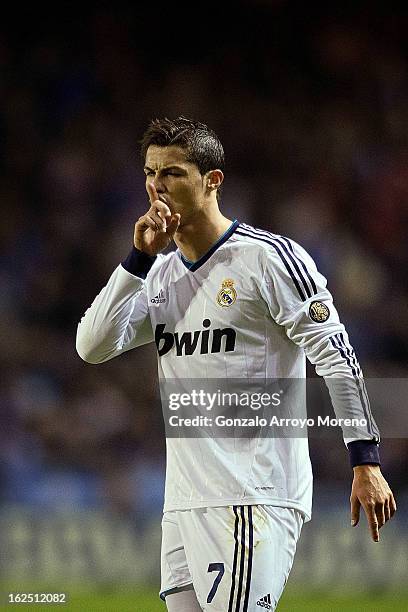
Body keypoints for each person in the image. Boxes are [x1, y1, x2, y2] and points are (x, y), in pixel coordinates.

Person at [76, 116, 396, 611]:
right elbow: (91, 345)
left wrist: (365, 459)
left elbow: (336, 356)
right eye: (149, 173)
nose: (156, 187)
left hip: (251, 496)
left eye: (173, 173)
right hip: (184, 502)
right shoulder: (158, 275)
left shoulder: (268, 259)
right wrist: (136, 260)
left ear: (212, 180)